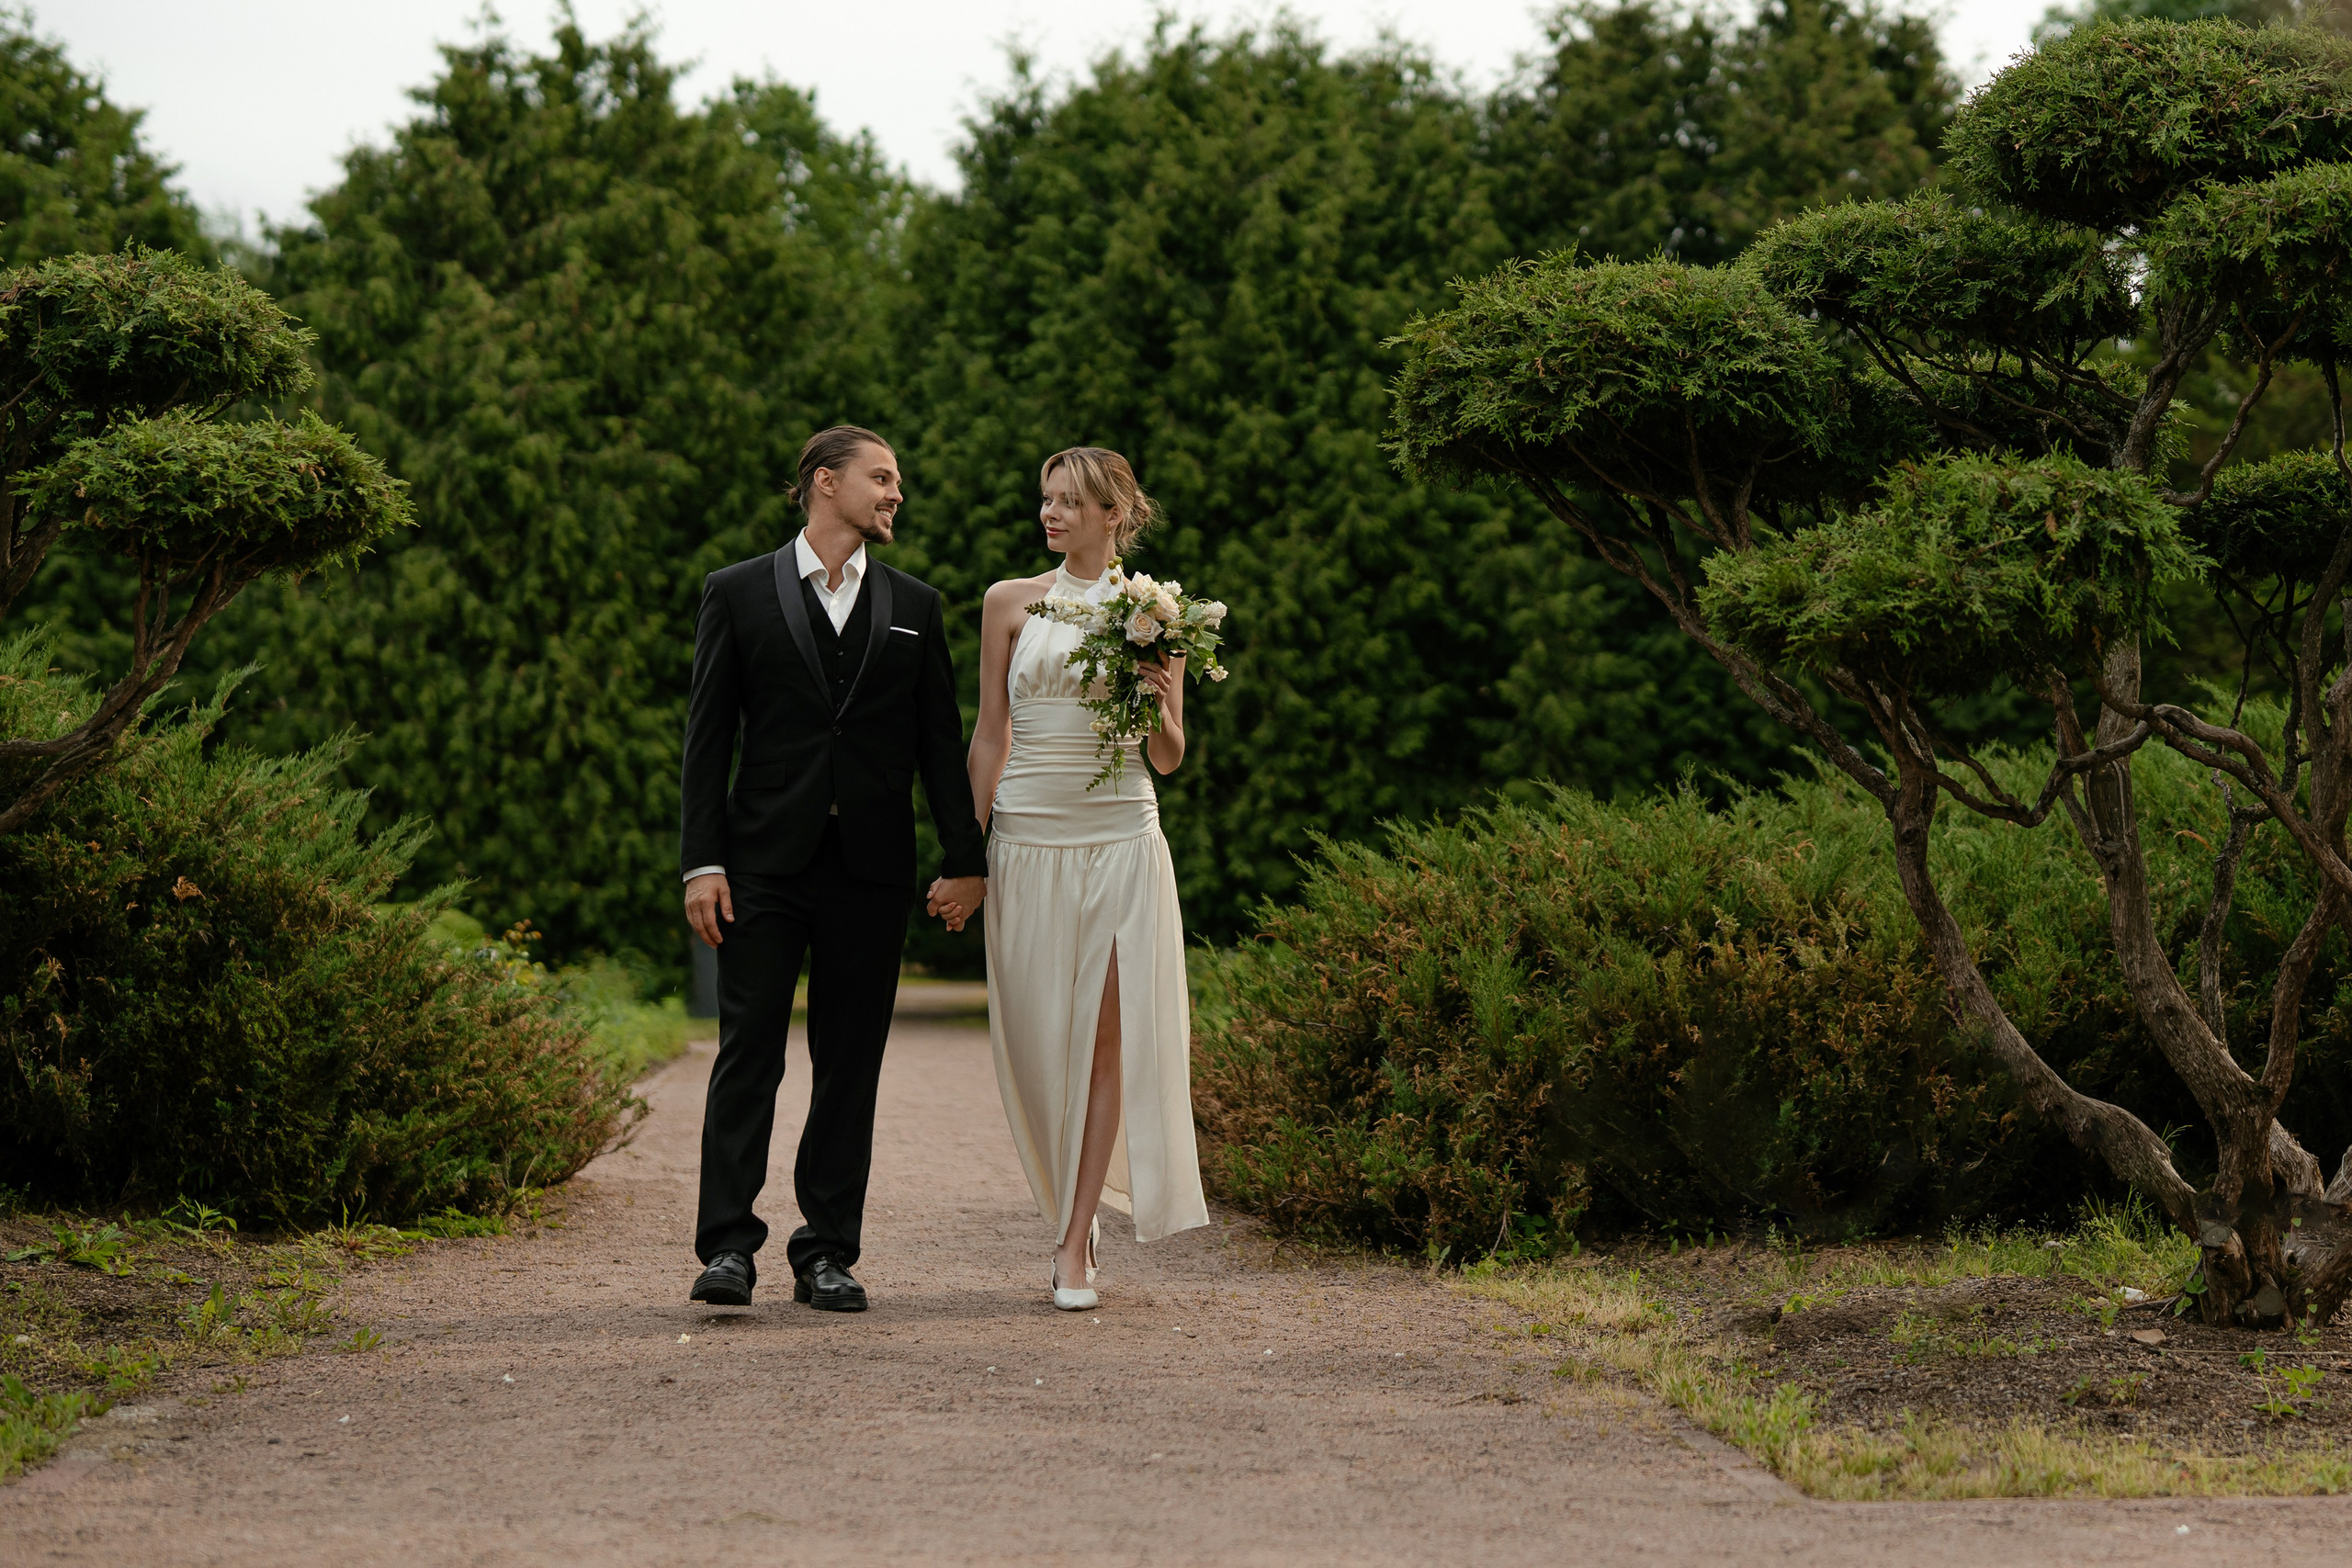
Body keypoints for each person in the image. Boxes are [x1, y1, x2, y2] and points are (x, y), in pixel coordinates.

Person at [680, 425, 987, 1312]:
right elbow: (708, 741)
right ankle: (727, 1246)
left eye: (897, 481)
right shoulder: (736, 593)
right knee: (749, 1054)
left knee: (851, 1061)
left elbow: (939, 745)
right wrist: (703, 862)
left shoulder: (915, 605)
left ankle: (826, 1251)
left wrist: (966, 862)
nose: (896, 493)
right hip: (761, 864)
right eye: (881, 477)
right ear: (826, 482)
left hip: (871, 871)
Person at [944, 446, 1209, 1311]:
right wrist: (966, 852)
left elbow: (1168, 757)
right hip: (1025, 838)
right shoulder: (1008, 603)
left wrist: (1157, 694)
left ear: (1113, 515)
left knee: (1102, 1042)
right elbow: (990, 734)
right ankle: (1073, 1202)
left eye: (1068, 503)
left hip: (1121, 837)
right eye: (1045, 501)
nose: (1050, 514)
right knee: (1033, 1036)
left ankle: (1074, 1240)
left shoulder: (1156, 611)